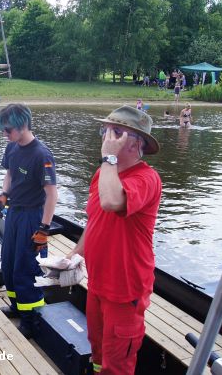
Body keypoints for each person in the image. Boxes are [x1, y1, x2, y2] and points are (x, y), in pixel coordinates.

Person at [68, 105, 161, 375]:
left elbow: (111, 202)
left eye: (116, 132)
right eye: (105, 130)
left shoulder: (147, 178)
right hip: (98, 282)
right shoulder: (102, 174)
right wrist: (75, 254)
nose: (106, 137)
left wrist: (108, 158)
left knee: (117, 364)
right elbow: (95, 219)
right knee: (98, 353)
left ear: (136, 143)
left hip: (125, 290)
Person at [0, 104, 58, 338]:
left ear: (22, 127)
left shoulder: (42, 155)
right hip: (14, 213)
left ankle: (31, 318)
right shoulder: (12, 147)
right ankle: (16, 306)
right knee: (8, 263)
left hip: (32, 216)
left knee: (24, 268)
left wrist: (44, 229)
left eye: (8, 130)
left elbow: (52, 194)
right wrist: (3, 195)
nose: (5, 134)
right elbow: (9, 173)